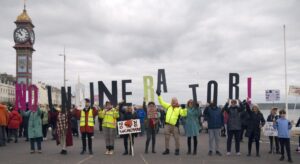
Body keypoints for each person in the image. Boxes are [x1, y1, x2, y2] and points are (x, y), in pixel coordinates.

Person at [156, 90, 187, 155]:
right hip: (167, 125)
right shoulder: (169, 106)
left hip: (175, 125)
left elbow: (184, 114)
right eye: (172, 101)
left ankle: (177, 150)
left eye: (175, 101)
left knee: (176, 138)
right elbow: (161, 102)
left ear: (177, 102)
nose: (173, 102)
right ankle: (167, 149)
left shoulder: (179, 108)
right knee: (166, 138)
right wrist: (159, 95)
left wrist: (184, 108)